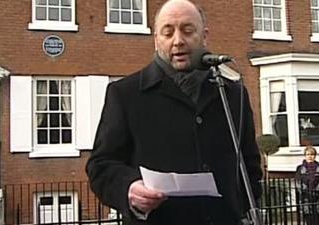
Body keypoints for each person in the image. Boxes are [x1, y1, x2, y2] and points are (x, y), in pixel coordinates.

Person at [86, 0, 262, 225]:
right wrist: (129, 188)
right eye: (168, 33)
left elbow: (250, 166)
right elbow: (101, 166)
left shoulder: (233, 94)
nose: (178, 41)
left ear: (204, 36)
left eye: (188, 31)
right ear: (156, 40)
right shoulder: (125, 94)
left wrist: (244, 208)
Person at [295, 146, 319, 225]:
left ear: (314, 156)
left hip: (317, 197)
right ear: (305, 156)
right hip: (306, 198)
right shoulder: (300, 168)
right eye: (308, 154)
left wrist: (316, 191)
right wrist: (305, 191)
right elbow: (298, 181)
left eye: (312, 154)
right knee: (309, 219)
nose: (310, 156)